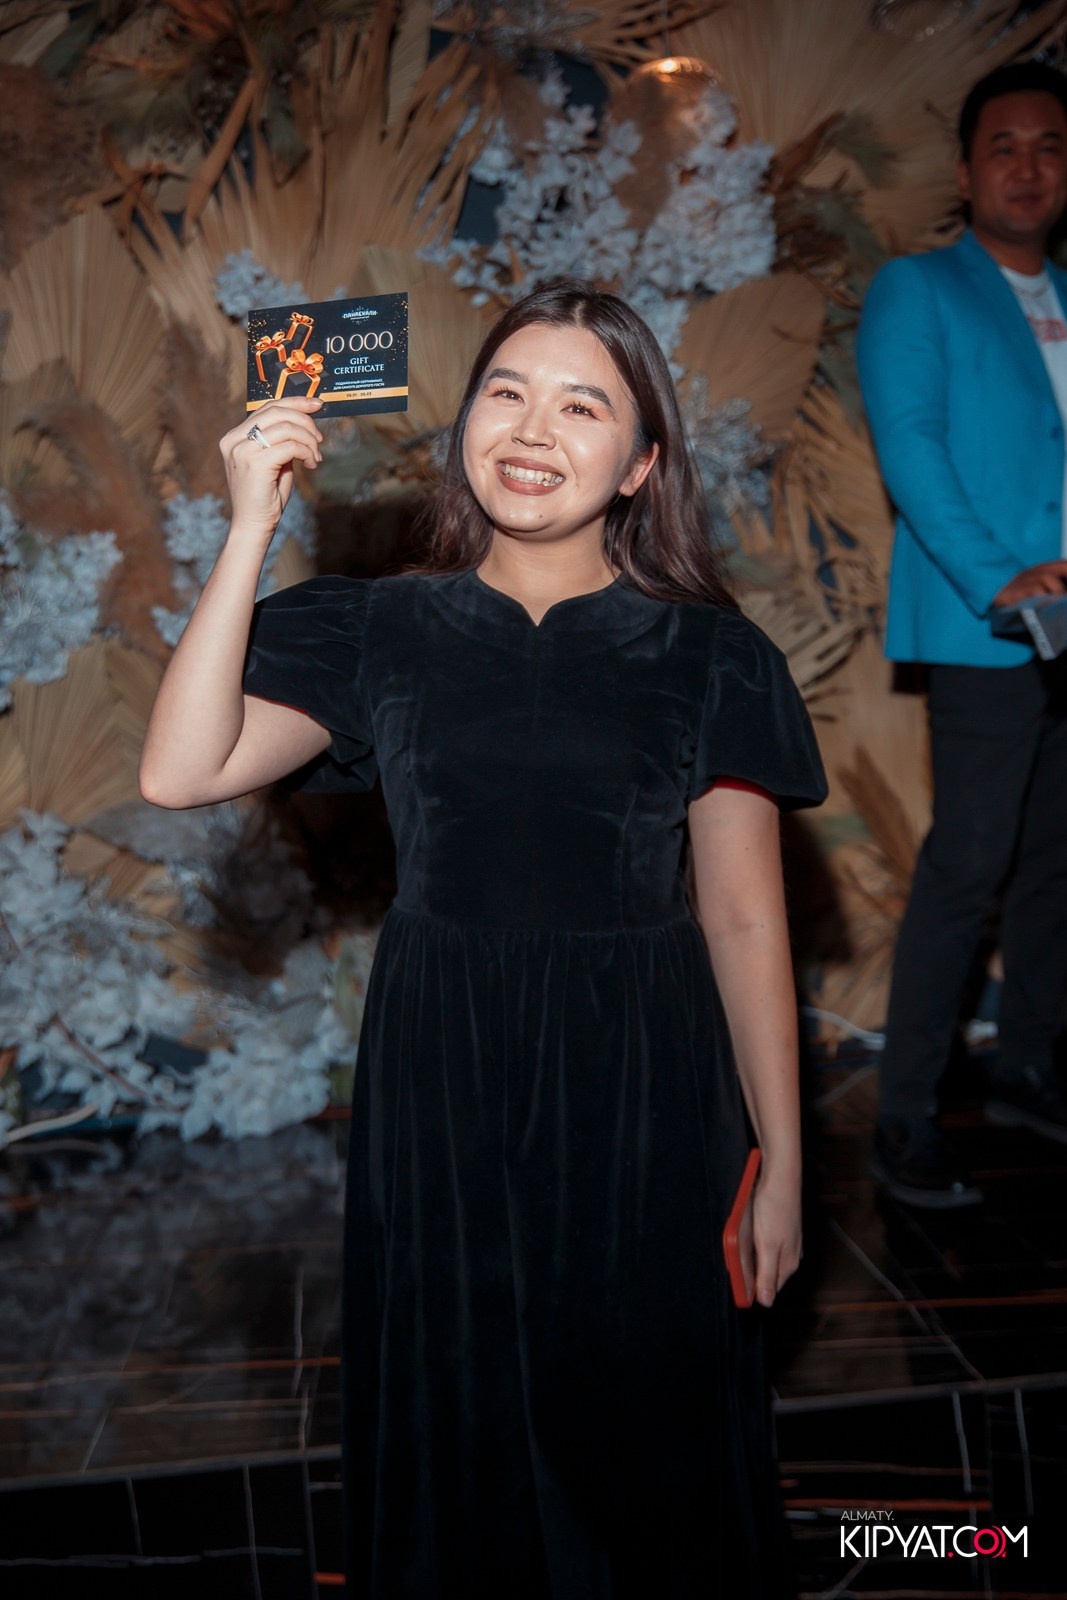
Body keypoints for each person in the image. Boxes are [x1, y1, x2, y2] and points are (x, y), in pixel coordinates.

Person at [140, 278, 826, 1597]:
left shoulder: (710, 656)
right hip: (440, 1074)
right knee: (454, 1427)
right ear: (463, 424)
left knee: (647, 1432)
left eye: (582, 405)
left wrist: (782, 1163)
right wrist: (249, 528)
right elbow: (181, 770)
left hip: (642, 1079)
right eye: (506, 392)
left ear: (639, 463)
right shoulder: (380, 626)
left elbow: (742, 914)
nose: (532, 427)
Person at [858, 61, 1067, 1209]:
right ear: (962, 170)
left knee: (1053, 861)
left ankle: (1026, 1070)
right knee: (967, 865)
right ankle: (901, 1116)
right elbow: (911, 448)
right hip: (988, 622)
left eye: (1047, 146)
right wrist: (1001, 577)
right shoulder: (917, 287)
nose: (1025, 166)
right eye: (1002, 146)